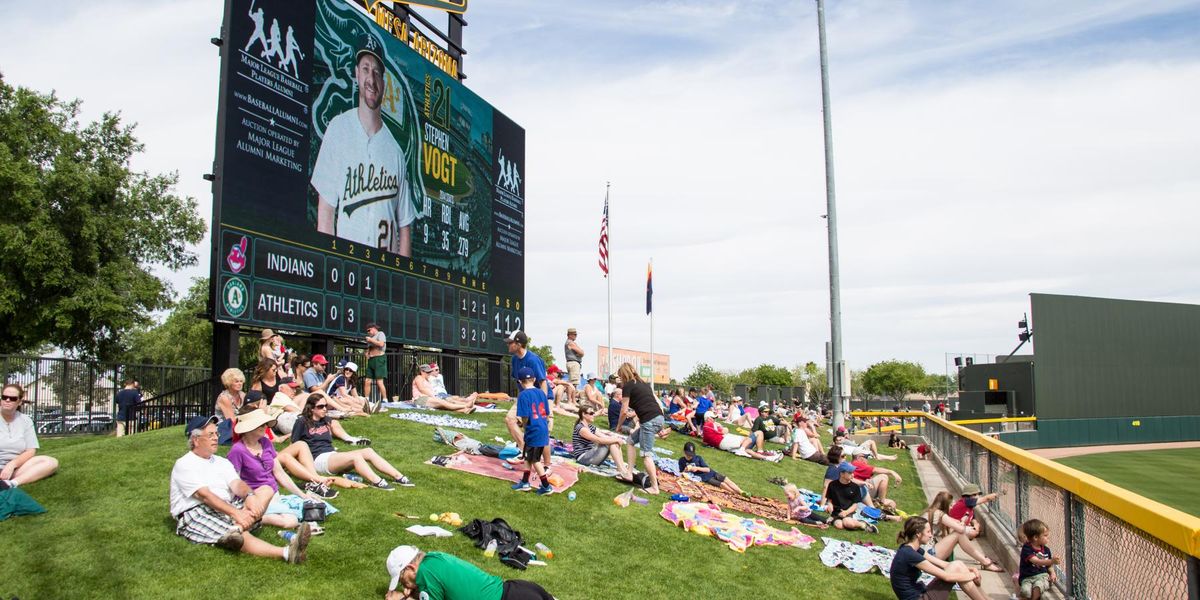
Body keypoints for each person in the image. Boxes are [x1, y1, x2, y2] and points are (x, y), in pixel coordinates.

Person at [311, 34, 415, 256]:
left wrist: (402, 276)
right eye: (366, 69)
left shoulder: (395, 152)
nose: (371, 78)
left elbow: (404, 228)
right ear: (357, 74)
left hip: (385, 276)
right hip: (346, 271)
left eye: (377, 72)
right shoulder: (338, 130)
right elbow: (326, 212)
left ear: (384, 84)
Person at [169, 415, 311, 563]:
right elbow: (204, 496)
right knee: (244, 536)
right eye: (210, 435)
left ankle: (235, 530)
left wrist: (250, 496)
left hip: (227, 506)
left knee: (266, 489)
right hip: (198, 511)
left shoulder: (220, 462)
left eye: (216, 434)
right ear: (195, 440)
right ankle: (287, 553)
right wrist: (236, 513)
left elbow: (236, 483)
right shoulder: (185, 464)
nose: (216, 438)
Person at [291, 394, 413, 490]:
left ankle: (399, 477)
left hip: (331, 455)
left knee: (368, 451)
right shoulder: (302, 422)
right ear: (311, 408)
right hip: (318, 460)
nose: (324, 409)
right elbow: (295, 446)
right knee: (356, 457)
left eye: (325, 406)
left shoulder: (326, 420)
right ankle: (377, 481)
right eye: (320, 406)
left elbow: (344, 415)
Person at [227, 408, 326, 523]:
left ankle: (255, 517)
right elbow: (234, 482)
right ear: (249, 428)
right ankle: (252, 517)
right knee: (292, 520)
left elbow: (279, 473)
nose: (266, 427)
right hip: (256, 496)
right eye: (261, 424)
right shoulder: (237, 450)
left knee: (316, 507)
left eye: (266, 424)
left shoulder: (265, 442)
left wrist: (302, 495)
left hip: (273, 494)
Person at [385, 545, 555, 600]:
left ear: (411, 568)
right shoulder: (433, 558)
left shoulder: (425, 575)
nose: (403, 584)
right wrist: (415, 591)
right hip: (521, 590)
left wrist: (401, 598)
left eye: (402, 579)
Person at [890, 516, 987, 600]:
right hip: (918, 598)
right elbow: (946, 577)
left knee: (957, 564)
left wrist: (971, 570)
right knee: (957, 566)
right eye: (928, 532)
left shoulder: (911, 549)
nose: (931, 535)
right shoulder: (910, 554)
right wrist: (973, 576)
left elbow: (945, 564)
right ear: (918, 534)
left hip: (919, 594)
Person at [921, 491, 1005, 573]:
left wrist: (963, 520)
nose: (952, 507)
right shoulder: (939, 514)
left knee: (956, 533)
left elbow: (954, 522)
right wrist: (966, 525)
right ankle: (985, 562)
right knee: (958, 534)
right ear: (945, 505)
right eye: (950, 505)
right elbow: (961, 529)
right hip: (928, 555)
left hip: (925, 553)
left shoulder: (932, 511)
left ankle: (984, 560)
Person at [614, 362, 664, 495]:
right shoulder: (643, 384)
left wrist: (618, 426)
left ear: (624, 375)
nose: (620, 379)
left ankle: (654, 488)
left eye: (620, 376)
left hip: (648, 421)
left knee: (646, 455)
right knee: (630, 441)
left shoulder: (628, 386)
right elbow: (652, 404)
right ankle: (629, 473)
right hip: (658, 417)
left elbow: (623, 411)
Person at [0, 383, 58, 490]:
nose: (7, 400)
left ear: (19, 402)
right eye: (4, 397)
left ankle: (10, 484)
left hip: (16, 469)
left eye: (12, 398)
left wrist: (12, 464)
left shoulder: (25, 421)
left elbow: (31, 450)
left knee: (50, 462)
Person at [504, 330, 549, 457]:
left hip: (541, 397)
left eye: (510, 343)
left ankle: (547, 464)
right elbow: (519, 383)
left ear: (518, 344)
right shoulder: (514, 360)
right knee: (510, 419)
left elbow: (543, 383)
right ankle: (525, 451)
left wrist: (543, 404)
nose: (508, 345)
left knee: (540, 430)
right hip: (525, 397)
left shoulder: (533, 360)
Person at [510, 367, 553, 495]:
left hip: (533, 429)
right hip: (543, 427)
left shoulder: (523, 395)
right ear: (534, 379)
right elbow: (546, 412)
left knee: (535, 460)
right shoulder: (541, 393)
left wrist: (524, 426)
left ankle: (546, 486)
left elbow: (525, 416)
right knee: (529, 457)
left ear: (520, 382)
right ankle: (524, 482)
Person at [571, 405, 632, 478]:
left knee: (613, 441)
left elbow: (604, 436)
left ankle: (622, 468)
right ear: (583, 414)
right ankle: (621, 470)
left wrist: (615, 438)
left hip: (591, 455)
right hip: (583, 459)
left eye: (593, 413)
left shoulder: (590, 427)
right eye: (591, 413)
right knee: (611, 442)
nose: (593, 415)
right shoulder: (581, 428)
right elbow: (598, 440)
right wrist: (615, 440)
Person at [700, 412, 780, 461]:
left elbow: (705, 441)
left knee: (747, 449)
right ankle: (760, 452)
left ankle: (767, 458)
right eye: (713, 418)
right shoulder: (709, 424)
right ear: (708, 418)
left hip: (723, 443)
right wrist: (720, 426)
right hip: (724, 440)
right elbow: (725, 430)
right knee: (758, 433)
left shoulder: (705, 429)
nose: (715, 419)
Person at [824, 462, 878, 532]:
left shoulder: (855, 487)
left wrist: (846, 512)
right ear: (842, 474)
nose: (853, 475)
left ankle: (863, 524)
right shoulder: (832, 485)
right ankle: (850, 522)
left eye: (853, 472)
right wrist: (831, 511)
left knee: (848, 523)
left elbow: (855, 505)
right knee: (839, 525)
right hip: (836, 513)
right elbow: (830, 501)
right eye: (850, 473)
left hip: (849, 512)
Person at [679, 441, 747, 497]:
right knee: (722, 484)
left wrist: (697, 468)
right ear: (684, 452)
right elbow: (681, 473)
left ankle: (740, 491)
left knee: (726, 479)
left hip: (711, 472)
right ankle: (735, 493)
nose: (689, 457)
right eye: (688, 455)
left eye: (691, 455)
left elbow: (707, 469)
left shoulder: (698, 458)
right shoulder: (682, 460)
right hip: (705, 478)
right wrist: (686, 470)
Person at [1018, 519, 1060, 599]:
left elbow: (1049, 566)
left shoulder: (1046, 550)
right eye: (1045, 535)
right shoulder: (1027, 548)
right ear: (1036, 537)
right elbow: (1036, 561)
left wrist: (1052, 573)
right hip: (1027, 577)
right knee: (1025, 591)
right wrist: (1052, 561)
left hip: (1042, 576)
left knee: (1038, 586)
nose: (1048, 537)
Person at [412, 364, 477, 413]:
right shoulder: (419, 377)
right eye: (427, 372)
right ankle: (465, 406)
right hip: (420, 399)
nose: (429, 373)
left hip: (427, 398)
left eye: (430, 371)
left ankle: (464, 410)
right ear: (422, 372)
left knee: (444, 405)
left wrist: (433, 396)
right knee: (443, 402)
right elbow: (422, 389)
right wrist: (433, 396)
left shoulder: (426, 379)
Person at [362, 323, 388, 410]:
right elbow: (369, 348)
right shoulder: (370, 339)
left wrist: (370, 340)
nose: (368, 332)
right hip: (371, 360)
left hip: (379, 359)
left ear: (373, 328)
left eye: (369, 330)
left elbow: (381, 344)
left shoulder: (380, 334)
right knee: (367, 380)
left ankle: (385, 399)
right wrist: (367, 353)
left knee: (379, 381)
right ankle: (367, 399)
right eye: (367, 331)